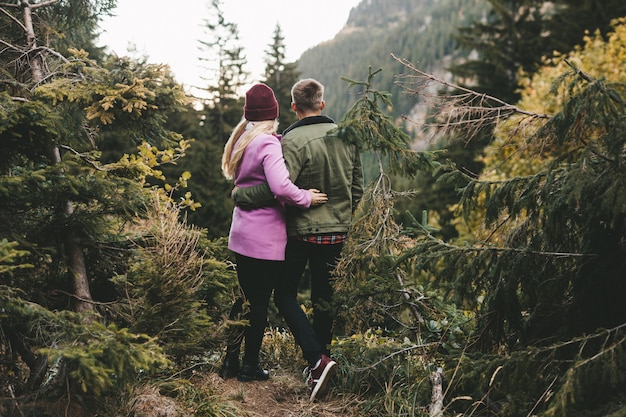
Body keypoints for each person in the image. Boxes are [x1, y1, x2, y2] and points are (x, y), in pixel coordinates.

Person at [233, 78, 364, 400]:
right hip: (337, 232)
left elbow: (277, 188)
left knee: (284, 295)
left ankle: (317, 360)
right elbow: (357, 187)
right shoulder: (346, 137)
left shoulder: (289, 140)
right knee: (324, 298)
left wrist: (242, 195)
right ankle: (322, 363)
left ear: (294, 106)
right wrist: (343, 217)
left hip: (300, 232)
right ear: (322, 103)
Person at [219, 83, 328, 383]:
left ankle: (230, 362)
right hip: (264, 239)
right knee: (259, 303)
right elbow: (280, 187)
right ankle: (250, 366)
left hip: (241, 233)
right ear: (274, 114)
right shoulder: (267, 143)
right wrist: (306, 197)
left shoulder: (242, 137)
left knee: (242, 299)